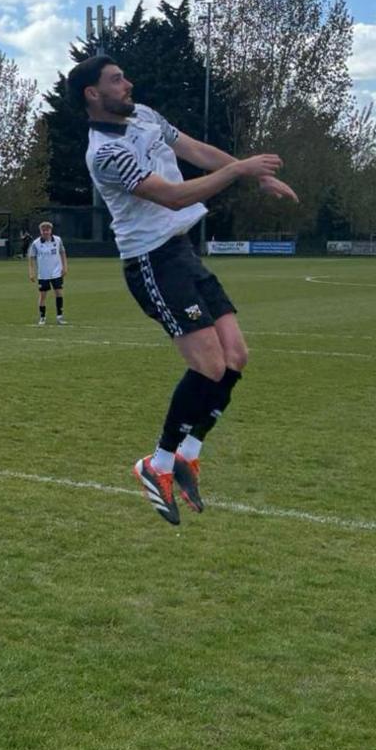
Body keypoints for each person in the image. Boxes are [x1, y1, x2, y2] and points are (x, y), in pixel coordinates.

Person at [75, 55, 297, 525]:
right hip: (151, 261)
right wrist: (239, 173)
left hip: (182, 252)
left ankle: (188, 455)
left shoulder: (146, 115)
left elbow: (195, 150)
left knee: (236, 356)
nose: (127, 82)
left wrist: (254, 174)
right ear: (93, 94)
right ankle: (155, 465)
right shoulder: (104, 153)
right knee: (209, 364)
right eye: (116, 79)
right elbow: (173, 195)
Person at [27, 221, 68, 325]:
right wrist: (31, 272)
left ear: (51, 230)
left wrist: (65, 267)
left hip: (56, 272)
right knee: (43, 295)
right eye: (43, 230)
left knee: (59, 293)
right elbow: (31, 258)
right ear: (40, 231)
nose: (45, 232)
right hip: (43, 274)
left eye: (47, 230)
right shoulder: (36, 243)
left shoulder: (58, 240)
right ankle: (42, 317)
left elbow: (62, 253)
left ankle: (59, 317)